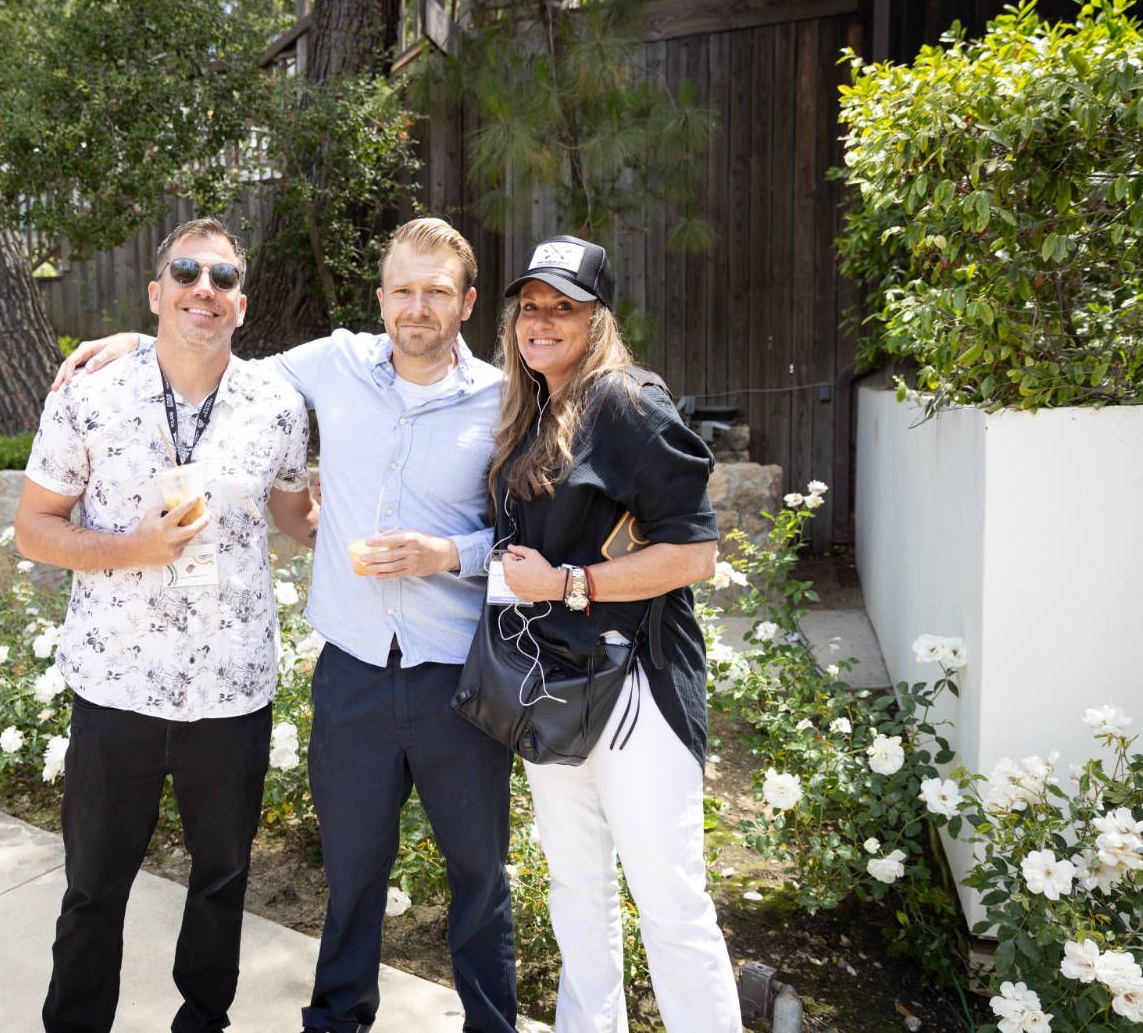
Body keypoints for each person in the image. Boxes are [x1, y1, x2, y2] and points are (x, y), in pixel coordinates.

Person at [54, 217, 519, 1033]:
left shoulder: (506, 398)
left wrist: (450, 552)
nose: (417, 306)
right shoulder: (329, 366)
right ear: (381, 298)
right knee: (352, 874)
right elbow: (211, 351)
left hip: (459, 675)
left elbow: (528, 533)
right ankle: (338, 1023)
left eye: (436, 292)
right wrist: (139, 334)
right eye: (403, 289)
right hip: (354, 675)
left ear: (467, 302)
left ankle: (493, 1025)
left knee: (480, 876)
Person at [15, 216, 318, 1033]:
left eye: (221, 279)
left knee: (222, 877)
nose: (203, 290)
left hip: (233, 687)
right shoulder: (90, 394)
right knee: (93, 887)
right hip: (117, 684)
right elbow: (35, 527)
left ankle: (202, 1023)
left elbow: (301, 514)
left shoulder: (278, 404)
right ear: (156, 292)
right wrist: (133, 547)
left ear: (242, 305)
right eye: (186, 273)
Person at [492, 235, 742, 1032]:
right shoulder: (532, 409)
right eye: (530, 305)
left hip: (635, 683)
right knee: (577, 891)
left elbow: (697, 554)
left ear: (596, 318)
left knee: (669, 902)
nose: (541, 320)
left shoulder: (629, 403)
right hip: (557, 685)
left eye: (563, 306)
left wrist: (567, 585)